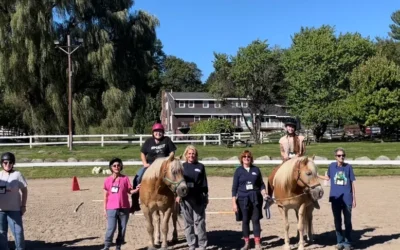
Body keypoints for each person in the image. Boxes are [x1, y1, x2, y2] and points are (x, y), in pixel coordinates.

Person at [130, 122, 177, 212]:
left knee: (176, 178)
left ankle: (177, 202)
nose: (158, 133)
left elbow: (172, 152)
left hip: (164, 166)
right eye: (156, 131)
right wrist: (144, 163)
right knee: (137, 178)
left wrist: (169, 160)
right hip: (150, 165)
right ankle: (135, 203)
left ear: (163, 132)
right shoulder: (149, 141)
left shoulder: (167, 140)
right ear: (153, 132)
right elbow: (143, 153)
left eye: (160, 131)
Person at [319, 148, 356, 250]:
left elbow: (352, 182)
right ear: (335, 157)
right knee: (337, 221)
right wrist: (316, 175)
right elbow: (328, 178)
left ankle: (348, 242)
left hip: (347, 198)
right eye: (339, 155)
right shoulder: (331, 166)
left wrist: (354, 198)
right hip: (335, 198)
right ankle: (340, 241)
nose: (341, 157)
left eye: (343, 155)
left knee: (347, 221)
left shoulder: (348, 167)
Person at [232, 150, 269, 250]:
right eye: (244, 157)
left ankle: (257, 243)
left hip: (256, 199)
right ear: (242, 159)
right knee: (245, 221)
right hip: (242, 200)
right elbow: (234, 189)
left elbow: (261, 184)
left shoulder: (256, 170)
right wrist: (234, 203)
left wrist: (264, 194)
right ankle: (247, 243)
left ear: (251, 158)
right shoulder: (238, 171)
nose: (246, 158)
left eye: (248, 156)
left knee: (255, 220)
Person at [101, 158, 140, 250]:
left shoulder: (125, 178)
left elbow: (130, 191)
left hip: (124, 208)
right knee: (111, 228)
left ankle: (118, 247)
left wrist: (136, 190)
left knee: (122, 229)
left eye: (118, 165)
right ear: (111, 167)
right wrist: (104, 209)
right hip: (111, 208)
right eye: (114, 166)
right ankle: (107, 246)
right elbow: (105, 196)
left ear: (121, 167)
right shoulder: (107, 180)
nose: (116, 167)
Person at [176, 145, 208, 250]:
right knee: (188, 223)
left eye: (193, 153)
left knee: (200, 222)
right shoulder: (182, 167)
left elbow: (204, 182)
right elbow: (178, 183)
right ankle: (191, 244)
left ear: (196, 155)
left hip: (198, 197)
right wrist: (178, 195)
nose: (191, 155)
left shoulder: (200, 166)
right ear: (186, 155)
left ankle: (202, 244)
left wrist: (206, 195)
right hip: (185, 198)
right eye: (189, 153)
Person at [0, 152, 28, 250]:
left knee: (18, 232)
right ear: (2, 163)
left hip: (14, 209)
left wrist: (23, 206)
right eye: (5, 162)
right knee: (1, 233)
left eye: (10, 162)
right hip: (1, 210)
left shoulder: (17, 175)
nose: (7, 165)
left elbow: (24, 191)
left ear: (13, 163)